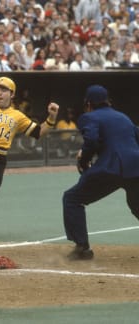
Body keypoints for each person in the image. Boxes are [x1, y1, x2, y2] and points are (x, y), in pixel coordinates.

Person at [0, 77, 59, 231]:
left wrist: (52, 118)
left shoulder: (17, 116)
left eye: (4, 90)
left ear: (12, 94)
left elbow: (39, 133)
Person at [63, 85, 139, 260]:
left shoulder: (88, 117)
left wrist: (83, 160)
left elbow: (91, 139)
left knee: (72, 198)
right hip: (136, 167)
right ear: (108, 101)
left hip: (111, 167)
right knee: (136, 204)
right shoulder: (123, 116)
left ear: (88, 103)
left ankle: (82, 248)